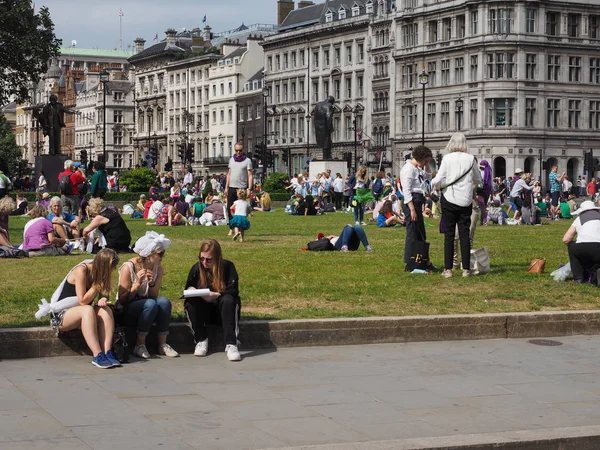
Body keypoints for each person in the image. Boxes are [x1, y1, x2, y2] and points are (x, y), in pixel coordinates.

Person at [36, 248, 122, 368]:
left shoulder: (101, 275)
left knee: (106, 310)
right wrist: (96, 286)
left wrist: (102, 300)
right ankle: (97, 354)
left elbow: (101, 297)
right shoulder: (81, 271)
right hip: (62, 316)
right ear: (104, 266)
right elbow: (82, 301)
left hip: (84, 313)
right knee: (87, 309)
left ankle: (108, 352)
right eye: (113, 267)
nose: (114, 270)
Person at [117, 231, 179, 359]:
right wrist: (136, 284)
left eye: (163, 253)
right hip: (127, 310)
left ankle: (162, 343)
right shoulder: (128, 267)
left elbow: (153, 296)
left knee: (164, 302)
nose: (162, 257)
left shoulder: (158, 268)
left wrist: (151, 284)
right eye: (159, 254)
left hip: (147, 308)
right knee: (150, 304)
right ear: (148, 254)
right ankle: (139, 344)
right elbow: (122, 300)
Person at [432, 132, 483, 278]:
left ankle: (448, 269)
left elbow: (438, 178)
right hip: (465, 200)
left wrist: (436, 184)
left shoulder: (447, 158)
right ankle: (466, 269)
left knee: (449, 235)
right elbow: (478, 179)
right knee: (464, 234)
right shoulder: (471, 159)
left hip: (449, 198)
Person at [184, 240, 242, 361]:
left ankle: (231, 344)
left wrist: (217, 294)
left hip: (223, 311)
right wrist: (193, 290)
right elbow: (187, 288)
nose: (204, 262)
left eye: (209, 259)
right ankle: (201, 339)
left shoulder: (227, 266)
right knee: (191, 302)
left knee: (228, 300)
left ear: (217, 258)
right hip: (204, 311)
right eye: (201, 258)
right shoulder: (196, 268)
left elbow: (234, 290)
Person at [401, 146, 433, 270]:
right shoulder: (408, 169)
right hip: (411, 201)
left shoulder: (417, 168)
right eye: (425, 161)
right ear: (419, 158)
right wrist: (412, 209)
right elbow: (407, 191)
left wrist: (427, 164)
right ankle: (410, 261)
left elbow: (428, 176)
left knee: (420, 232)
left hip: (418, 199)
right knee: (412, 232)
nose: (426, 163)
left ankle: (423, 260)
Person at [563, 201, 600, 285]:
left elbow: (566, 239)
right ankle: (595, 279)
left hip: (583, 248)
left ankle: (578, 277)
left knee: (571, 246)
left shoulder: (580, 218)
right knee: (596, 262)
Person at [225, 143, 253, 236]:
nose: (238, 152)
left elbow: (250, 175)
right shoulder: (231, 160)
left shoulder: (247, 161)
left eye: (240, 150)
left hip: (242, 187)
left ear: (243, 150)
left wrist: (249, 188)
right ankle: (231, 227)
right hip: (232, 187)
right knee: (229, 207)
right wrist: (226, 187)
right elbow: (228, 174)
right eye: (236, 150)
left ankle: (241, 229)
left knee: (241, 209)